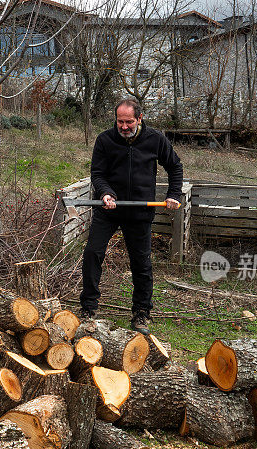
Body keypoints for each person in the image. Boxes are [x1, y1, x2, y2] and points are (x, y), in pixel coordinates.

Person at [79, 98, 183, 334]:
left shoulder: (155, 139)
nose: (124, 127)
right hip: (109, 209)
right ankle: (88, 307)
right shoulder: (105, 140)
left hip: (139, 210)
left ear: (139, 119)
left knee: (141, 262)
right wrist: (105, 193)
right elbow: (97, 174)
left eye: (129, 122)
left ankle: (141, 313)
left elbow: (175, 166)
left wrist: (173, 194)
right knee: (93, 253)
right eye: (120, 121)